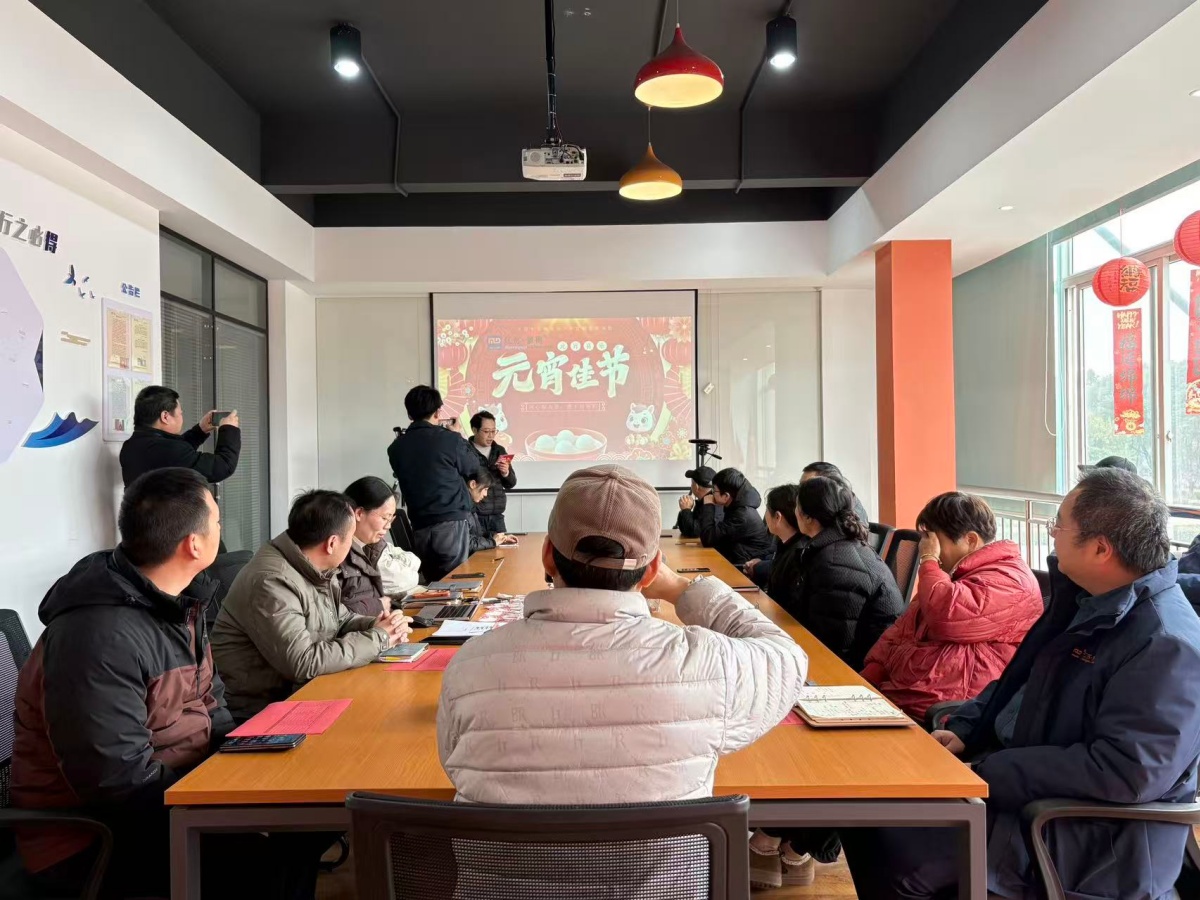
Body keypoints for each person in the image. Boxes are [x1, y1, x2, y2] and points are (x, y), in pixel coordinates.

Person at [842, 468, 1200, 900]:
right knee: (863, 809)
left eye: (1059, 526)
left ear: (1100, 548)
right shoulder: (1085, 602)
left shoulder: (1165, 642)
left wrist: (993, 772)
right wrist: (967, 727)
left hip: (1084, 837)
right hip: (1023, 792)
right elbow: (1019, 683)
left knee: (891, 850)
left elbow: (1127, 771)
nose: (1052, 535)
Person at [10, 468, 327, 899]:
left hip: (176, 794)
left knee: (309, 826)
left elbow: (211, 705)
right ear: (193, 544)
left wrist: (249, 767)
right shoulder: (97, 636)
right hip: (92, 839)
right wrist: (220, 808)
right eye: (217, 521)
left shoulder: (178, 606)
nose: (221, 528)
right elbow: (117, 782)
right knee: (270, 866)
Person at [438, 464, 809, 806]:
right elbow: (788, 658)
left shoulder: (470, 665)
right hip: (666, 862)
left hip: (507, 862)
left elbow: (452, 763)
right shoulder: (707, 665)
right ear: (652, 571)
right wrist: (681, 589)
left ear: (547, 555)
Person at [212, 490, 412, 722]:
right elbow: (303, 662)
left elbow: (340, 619)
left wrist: (378, 625)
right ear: (332, 543)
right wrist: (378, 638)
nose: (351, 547)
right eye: (350, 539)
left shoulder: (313, 566)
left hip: (305, 693)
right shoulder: (271, 582)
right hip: (263, 712)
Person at [860, 492, 1043, 720]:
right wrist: (868, 678)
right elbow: (903, 630)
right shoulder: (953, 577)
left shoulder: (1010, 581)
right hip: (903, 697)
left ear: (971, 540)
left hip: (944, 712)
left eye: (935, 542)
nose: (927, 548)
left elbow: (945, 618)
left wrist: (929, 560)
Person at [787, 476, 903, 670]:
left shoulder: (834, 564)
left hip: (862, 671)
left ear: (807, 517)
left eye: (796, 506)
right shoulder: (835, 547)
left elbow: (833, 647)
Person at [387, 385, 482, 582]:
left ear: (409, 413)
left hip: (419, 524)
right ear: (438, 412)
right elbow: (473, 466)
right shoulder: (449, 440)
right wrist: (457, 434)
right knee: (455, 581)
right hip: (451, 523)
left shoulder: (396, 448)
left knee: (431, 584)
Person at [119, 385, 241, 487]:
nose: (181, 418)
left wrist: (200, 430)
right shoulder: (168, 450)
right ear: (165, 417)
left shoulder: (130, 446)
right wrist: (229, 429)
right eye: (180, 414)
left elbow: (177, 456)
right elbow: (223, 466)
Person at [337, 476, 398, 617]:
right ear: (359, 513)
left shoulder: (370, 546)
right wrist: (378, 605)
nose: (388, 526)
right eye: (384, 518)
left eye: (391, 519)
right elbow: (330, 615)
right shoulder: (336, 553)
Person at [696, 468, 774, 566]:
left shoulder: (741, 516)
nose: (711, 494)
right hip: (738, 558)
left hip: (745, 567)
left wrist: (708, 506)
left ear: (726, 496)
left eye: (714, 490)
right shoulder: (738, 506)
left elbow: (708, 538)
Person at [743, 484, 802, 594]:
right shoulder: (786, 542)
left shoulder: (798, 553)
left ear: (777, 517)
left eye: (767, 510)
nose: (765, 516)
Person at [468, 410, 517, 533]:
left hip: (497, 517)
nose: (491, 435)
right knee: (476, 545)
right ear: (474, 430)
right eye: (486, 431)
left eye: (493, 431)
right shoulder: (466, 450)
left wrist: (505, 473)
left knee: (503, 545)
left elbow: (511, 483)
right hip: (475, 515)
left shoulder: (499, 450)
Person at [465, 468, 517, 553]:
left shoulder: (470, 505)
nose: (486, 494)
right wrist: (493, 542)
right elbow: (466, 543)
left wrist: (499, 537)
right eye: (485, 489)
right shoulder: (461, 509)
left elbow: (478, 534)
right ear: (473, 484)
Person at [801, 461, 868, 523]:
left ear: (830, 486)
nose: (800, 491)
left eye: (808, 486)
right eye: (801, 485)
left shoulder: (851, 515)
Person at [674, 465, 717, 538]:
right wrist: (684, 510)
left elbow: (695, 532)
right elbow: (685, 530)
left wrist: (686, 510)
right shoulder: (703, 500)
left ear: (696, 486)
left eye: (692, 483)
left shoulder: (710, 503)